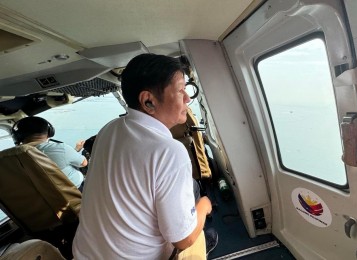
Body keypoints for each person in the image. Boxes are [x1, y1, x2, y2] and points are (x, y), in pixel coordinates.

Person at [72, 53, 215, 259]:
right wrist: (204, 206)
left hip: (83, 255)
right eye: (180, 90)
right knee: (197, 229)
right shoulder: (170, 152)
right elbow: (182, 240)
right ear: (148, 101)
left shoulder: (108, 129)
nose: (188, 98)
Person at [11, 116, 87, 191]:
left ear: (17, 136)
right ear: (50, 132)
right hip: (73, 194)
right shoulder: (61, 148)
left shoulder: (10, 156)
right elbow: (83, 163)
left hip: (39, 197)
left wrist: (75, 150)